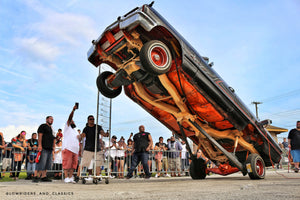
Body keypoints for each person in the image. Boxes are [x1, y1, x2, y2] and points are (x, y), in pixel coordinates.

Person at [80, 115, 108, 179]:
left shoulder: (98, 127)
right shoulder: (86, 128)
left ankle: (98, 175)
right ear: (88, 120)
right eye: (90, 119)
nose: (92, 120)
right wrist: (80, 136)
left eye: (93, 119)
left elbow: (102, 133)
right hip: (88, 148)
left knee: (98, 163)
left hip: (97, 148)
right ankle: (90, 175)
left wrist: (105, 134)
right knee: (89, 163)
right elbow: (83, 135)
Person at [33, 116, 55, 182]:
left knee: (47, 163)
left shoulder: (52, 129)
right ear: (46, 119)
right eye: (50, 119)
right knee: (41, 162)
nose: (52, 120)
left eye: (53, 119)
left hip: (50, 148)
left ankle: (44, 176)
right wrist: (39, 145)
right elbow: (40, 135)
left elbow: (53, 138)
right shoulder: (43, 126)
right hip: (44, 147)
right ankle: (36, 176)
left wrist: (53, 146)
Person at [62, 105, 80, 183]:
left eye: (73, 121)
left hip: (75, 150)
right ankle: (66, 177)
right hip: (68, 148)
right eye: (72, 121)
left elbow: (78, 138)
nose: (73, 121)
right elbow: (69, 118)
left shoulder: (75, 130)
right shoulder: (67, 127)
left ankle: (70, 177)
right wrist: (73, 110)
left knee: (73, 165)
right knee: (67, 164)